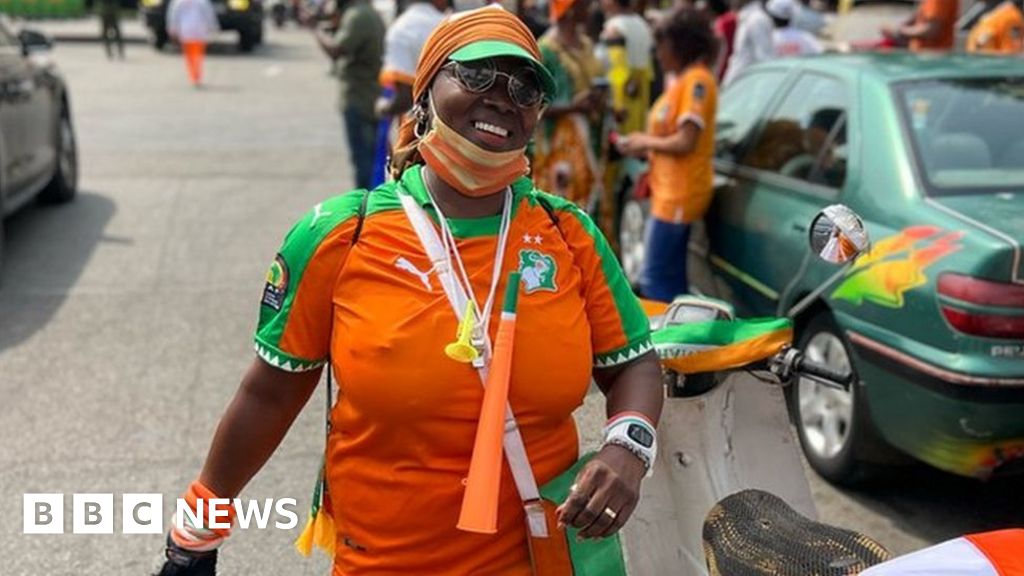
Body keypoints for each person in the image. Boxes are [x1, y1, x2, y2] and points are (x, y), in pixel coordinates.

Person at [153, 6, 664, 575]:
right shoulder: (343, 235)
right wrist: (198, 528)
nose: (501, 96)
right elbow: (269, 396)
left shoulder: (568, 235)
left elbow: (633, 362)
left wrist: (629, 445)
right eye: (473, 75)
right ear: (423, 93)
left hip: (542, 559)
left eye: (524, 87)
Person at [617, 8, 718, 302]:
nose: (657, 55)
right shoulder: (684, 81)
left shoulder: (697, 82)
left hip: (679, 195)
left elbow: (687, 140)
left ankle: (664, 345)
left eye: (661, 46)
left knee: (656, 280)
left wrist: (644, 141)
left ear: (679, 44)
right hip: (668, 193)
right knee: (669, 279)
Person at [532, 0, 608, 206]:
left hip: (591, 141)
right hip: (558, 149)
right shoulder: (546, 51)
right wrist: (574, 107)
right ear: (571, 9)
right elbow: (534, 105)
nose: (591, 8)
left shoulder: (587, 44)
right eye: (586, 4)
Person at [314, 0, 386, 190]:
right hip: (369, 95)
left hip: (359, 98)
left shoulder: (357, 16)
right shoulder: (365, 12)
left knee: (363, 163)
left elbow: (336, 50)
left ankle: (365, 212)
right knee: (368, 160)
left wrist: (316, 30)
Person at [375, 0, 448, 119]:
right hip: (448, 121)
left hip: (416, 125)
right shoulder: (447, 25)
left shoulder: (400, 30)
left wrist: (383, 108)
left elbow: (404, 97)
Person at [596, 0, 655, 135]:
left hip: (622, 101)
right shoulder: (643, 25)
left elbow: (617, 70)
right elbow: (649, 71)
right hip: (640, 97)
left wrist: (617, 105)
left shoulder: (615, 28)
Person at [166, 0, 219, 87]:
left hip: (186, 32)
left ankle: (194, 76)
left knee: (190, 56)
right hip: (199, 32)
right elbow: (209, 15)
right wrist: (213, 27)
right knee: (197, 55)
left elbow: (173, 16)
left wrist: (172, 29)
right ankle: (196, 75)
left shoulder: (178, 2)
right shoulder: (203, 2)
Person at [721, 0, 773, 86]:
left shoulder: (757, 20)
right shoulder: (745, 19)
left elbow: (765, 62)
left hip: (746, 89)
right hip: (736, 89)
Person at [881, 0, 958, 51]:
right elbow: (923, 16)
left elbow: (932, 30)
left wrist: (899, 32)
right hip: (922, 56)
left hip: (931, 60)